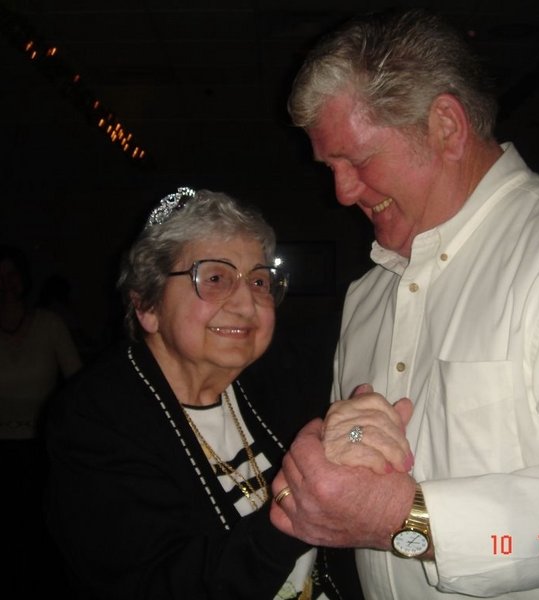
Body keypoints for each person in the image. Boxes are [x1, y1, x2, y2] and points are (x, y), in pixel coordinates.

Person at [269, 8, 539, 600]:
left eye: (359, 160)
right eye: (331, 168)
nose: (341, 191)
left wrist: (412, 521)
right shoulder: (369, 295)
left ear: (446, 126)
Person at [45, 187, 364, 599]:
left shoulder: (275, 378)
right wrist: (294, 519)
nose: (247, 304)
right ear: (147, 305)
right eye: (215, 278)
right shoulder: (95, 419)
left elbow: (341, 444)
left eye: (260, 280)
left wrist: (359, 436)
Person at [0, 242, 83, 596]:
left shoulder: (50, 325)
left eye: (11, 274)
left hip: (37, 448)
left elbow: (79, 382)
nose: (5, 283)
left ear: (24, 280)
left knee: (41, 538)